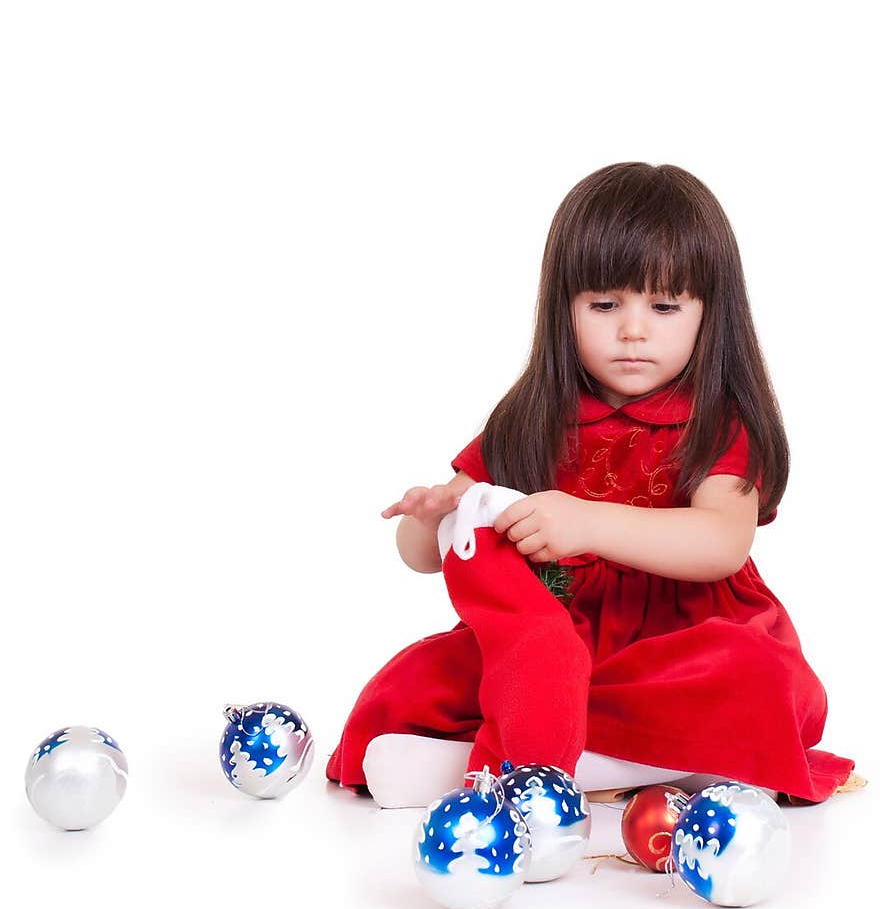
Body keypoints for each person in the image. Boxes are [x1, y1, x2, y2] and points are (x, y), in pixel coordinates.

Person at [326, 162, 860, 809]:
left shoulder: (717, 422)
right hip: (555, 641)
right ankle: (643, 763)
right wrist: (432, 512)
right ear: (565, 307)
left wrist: (587, 522)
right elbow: (425, 556)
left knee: (755, 676)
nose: (633, 330)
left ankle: (539, 765)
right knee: (422, 677)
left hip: (679, 648)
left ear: (708, 313)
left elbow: (721, 541)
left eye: (664, 306)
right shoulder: (533, 416)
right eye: (604, 305)